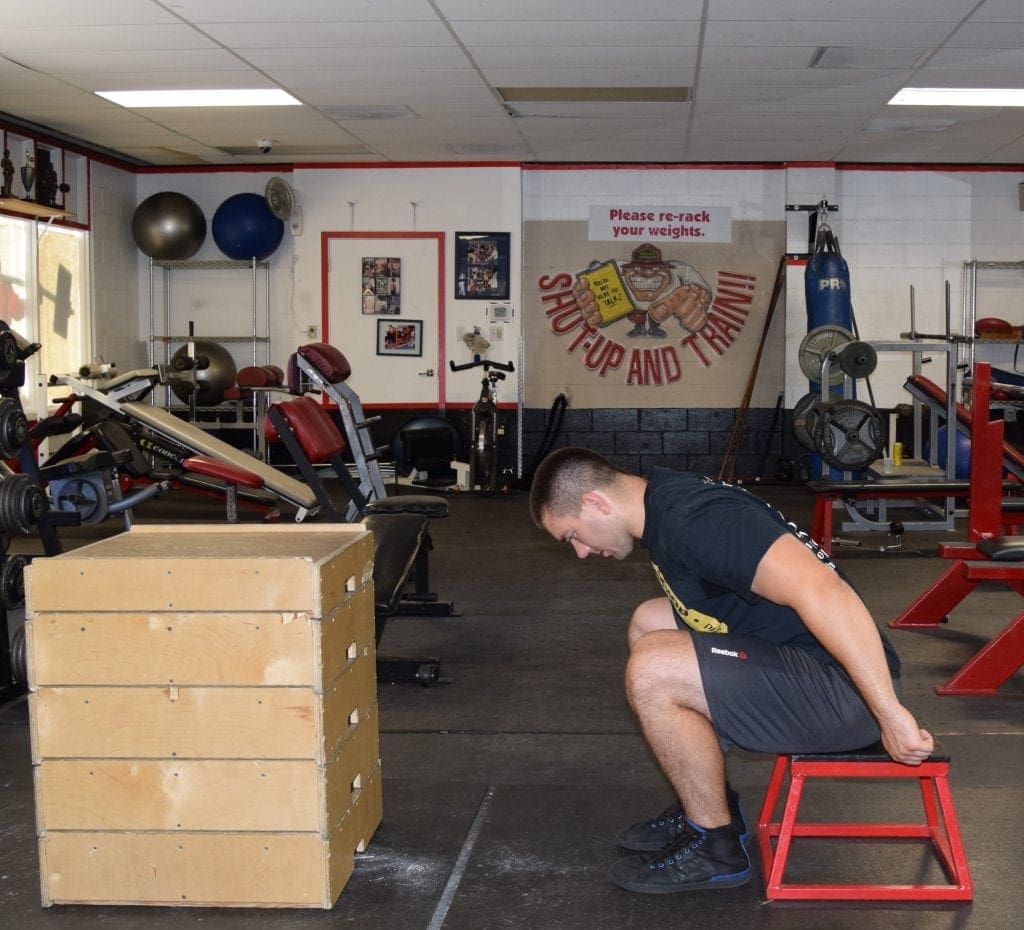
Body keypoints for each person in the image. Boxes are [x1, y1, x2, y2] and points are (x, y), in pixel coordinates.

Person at [528, 447, 933, 894]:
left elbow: (826, 590)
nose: (582, 552)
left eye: (572, 536)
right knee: (650, 622)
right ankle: (710, 804)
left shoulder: (695, 520)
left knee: (653, 667)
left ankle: (714, 846)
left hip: (842, 694)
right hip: (797, 662)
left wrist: (890, 713)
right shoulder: (662, 505)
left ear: (595, 503)